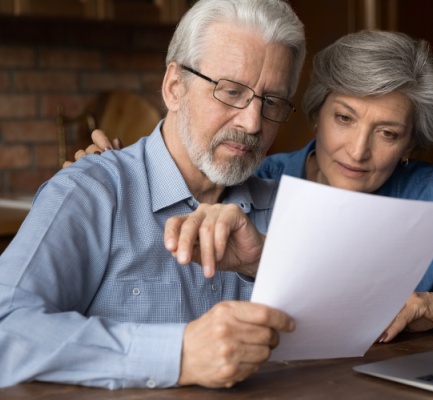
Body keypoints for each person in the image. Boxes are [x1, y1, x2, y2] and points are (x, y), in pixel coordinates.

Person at [82, 30, 433, 343]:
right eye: (344, 118)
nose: (358, 151)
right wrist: (121, 174)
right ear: (316, 112)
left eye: (388, 133)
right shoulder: (252, 182)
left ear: (410, 146)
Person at [0, 0, 306, 390]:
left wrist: (266, 263)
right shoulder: (91, 192)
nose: (252, 122)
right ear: (175, 87)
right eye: (231, 92)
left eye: (273, 102)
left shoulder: (289, 209)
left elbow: (353, 325)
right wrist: (179, 354)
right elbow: (6, 328)